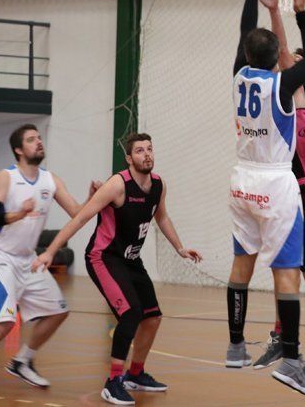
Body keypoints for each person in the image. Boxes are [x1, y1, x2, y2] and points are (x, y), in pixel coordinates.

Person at [33, 133, 202, 406]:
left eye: (149, 149)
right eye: (139, 151)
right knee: (131, 313)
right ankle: (113, 382)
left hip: (130, 259)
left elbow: (163, 217)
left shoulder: (158, 185)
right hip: (103, 257)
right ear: (129, 158)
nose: (146, 154)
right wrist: (51, 250)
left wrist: (180, 248)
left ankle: (136, 374)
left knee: (153, 317)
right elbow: (80, 219)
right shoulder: (117, 185)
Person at [225, 0, 305, 397]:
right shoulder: (285, 84)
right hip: (275, 182)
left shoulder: (239, 76)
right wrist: (299, 13)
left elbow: (246, 35)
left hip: (241, 181)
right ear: (277, 58)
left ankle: (236, 346)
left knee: (241, 265)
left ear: (247, 54)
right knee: (286, 274)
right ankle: (293, 360)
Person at [0, 124, 98, 395]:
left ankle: (22, 360)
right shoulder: (7, 177)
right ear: (19, 150)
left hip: (27, 258)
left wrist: (92, 198)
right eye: (31, 140)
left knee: (58, 311)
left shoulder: (50, 180)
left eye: (39, 138)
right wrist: (18, 214)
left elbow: (77, 212)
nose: (38, 142)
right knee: (6, 322)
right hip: (0, 256)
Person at [251, 0, 305, 382]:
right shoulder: (280, 97)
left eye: (295, 61)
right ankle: (282, 334)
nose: (289, 61)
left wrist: (283, 12)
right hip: (283, 191)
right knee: (283, 266)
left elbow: (286, 54)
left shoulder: (300, 96)